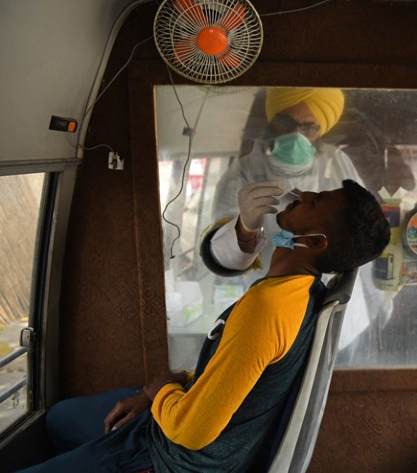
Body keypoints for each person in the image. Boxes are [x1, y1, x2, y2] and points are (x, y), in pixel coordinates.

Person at [20, 180, 391, 473]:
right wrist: (160, 393)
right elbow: (238, 372)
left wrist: (161, 389)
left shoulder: (269, 307)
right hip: (183, 421)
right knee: (59, 420)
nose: (305, 193)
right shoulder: (302, 288)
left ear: (313, 241)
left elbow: (192, 432)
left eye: (315, 200)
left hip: (172, 459)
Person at [201, 87, 362, 278]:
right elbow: (222, 258)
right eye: (286, 122)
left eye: (309, 127)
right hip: (272, 292)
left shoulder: (336, 162)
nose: (296, 135)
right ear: (273, 122)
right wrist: (245, 229)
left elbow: (365, 228)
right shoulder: (242, 174)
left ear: (319, 132)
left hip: (338, 296)